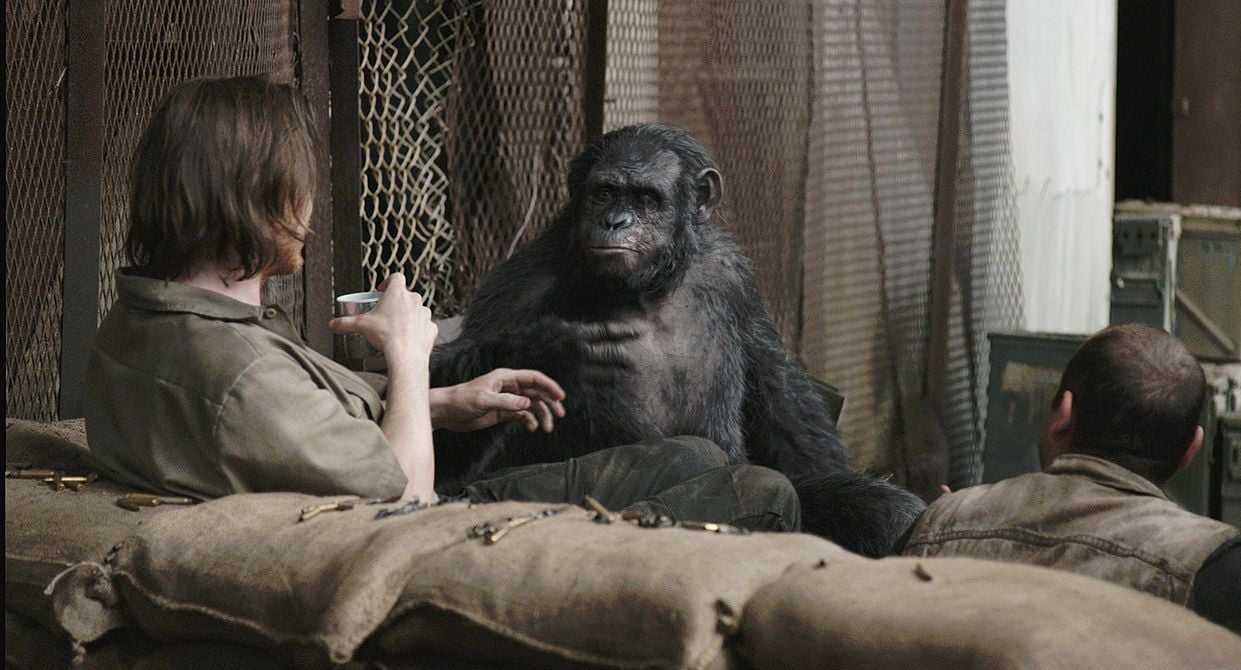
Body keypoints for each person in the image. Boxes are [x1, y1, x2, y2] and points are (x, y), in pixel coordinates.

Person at [84, 74, 799, 532]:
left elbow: (283, 417)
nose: (310, 207)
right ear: (259, 202)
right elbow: (407, 505)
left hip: (348, 483)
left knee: (724, 442)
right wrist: (407, 350)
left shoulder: (136, 325)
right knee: (760, 491)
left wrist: (446, 400)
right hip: (427, 529)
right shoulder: (233, 372)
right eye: (300, 189)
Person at [898, 323, 1241, 654]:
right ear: (1190, 449)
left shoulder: (941, 522)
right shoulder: (1227, 570)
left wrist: (949, 516)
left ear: (1062, 415)